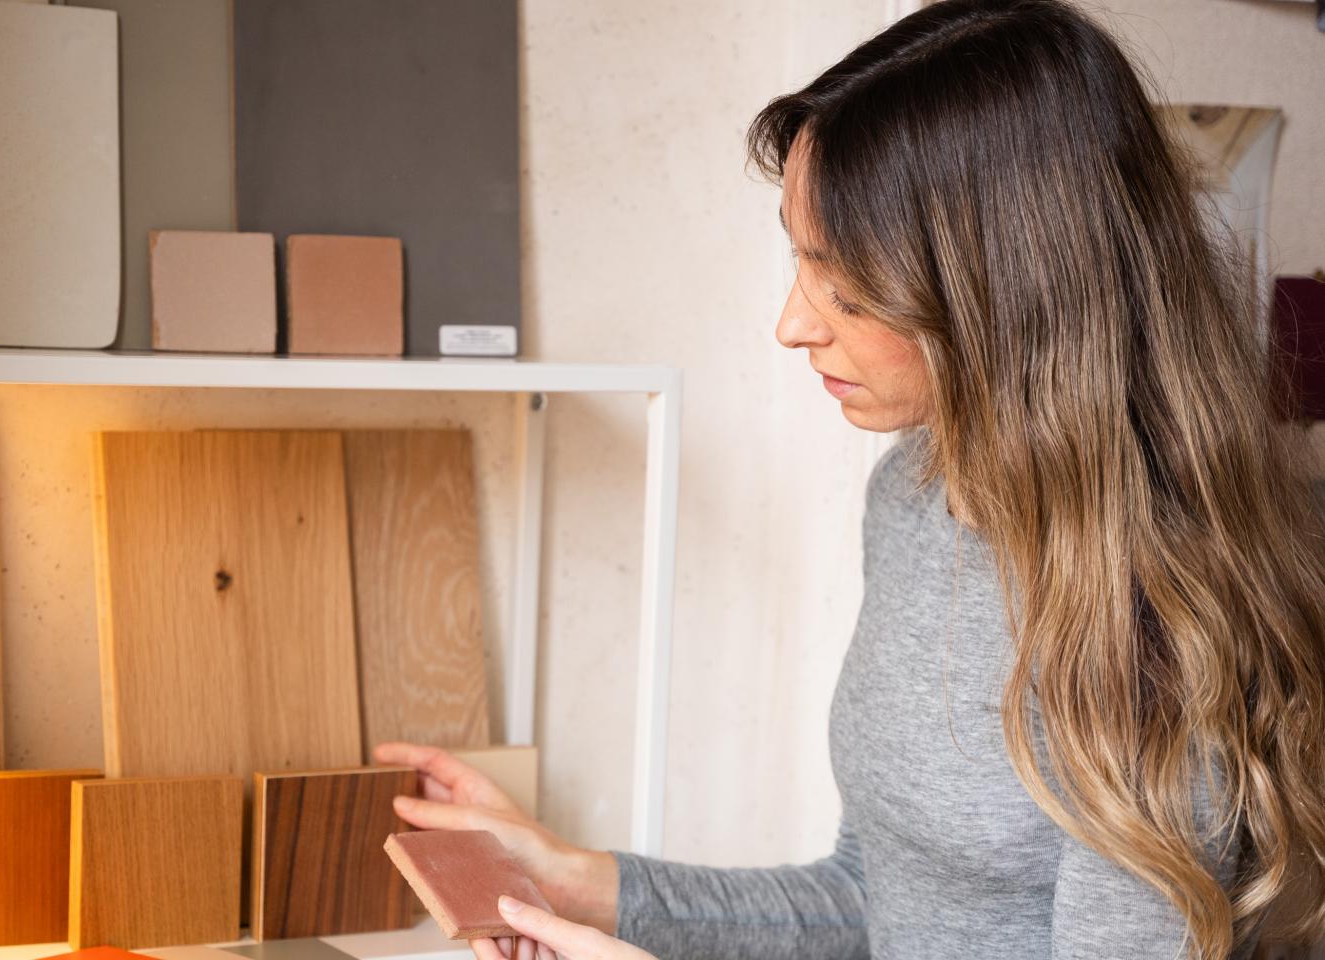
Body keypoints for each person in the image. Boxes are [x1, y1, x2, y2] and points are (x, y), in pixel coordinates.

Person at [375, 0, 1325, 958]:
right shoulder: (914, 497)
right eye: (800, 257)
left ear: (1009, 286)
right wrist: (578, 884)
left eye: (848, 283)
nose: (793, 322)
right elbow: (871, 902)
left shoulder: (1161, 623)